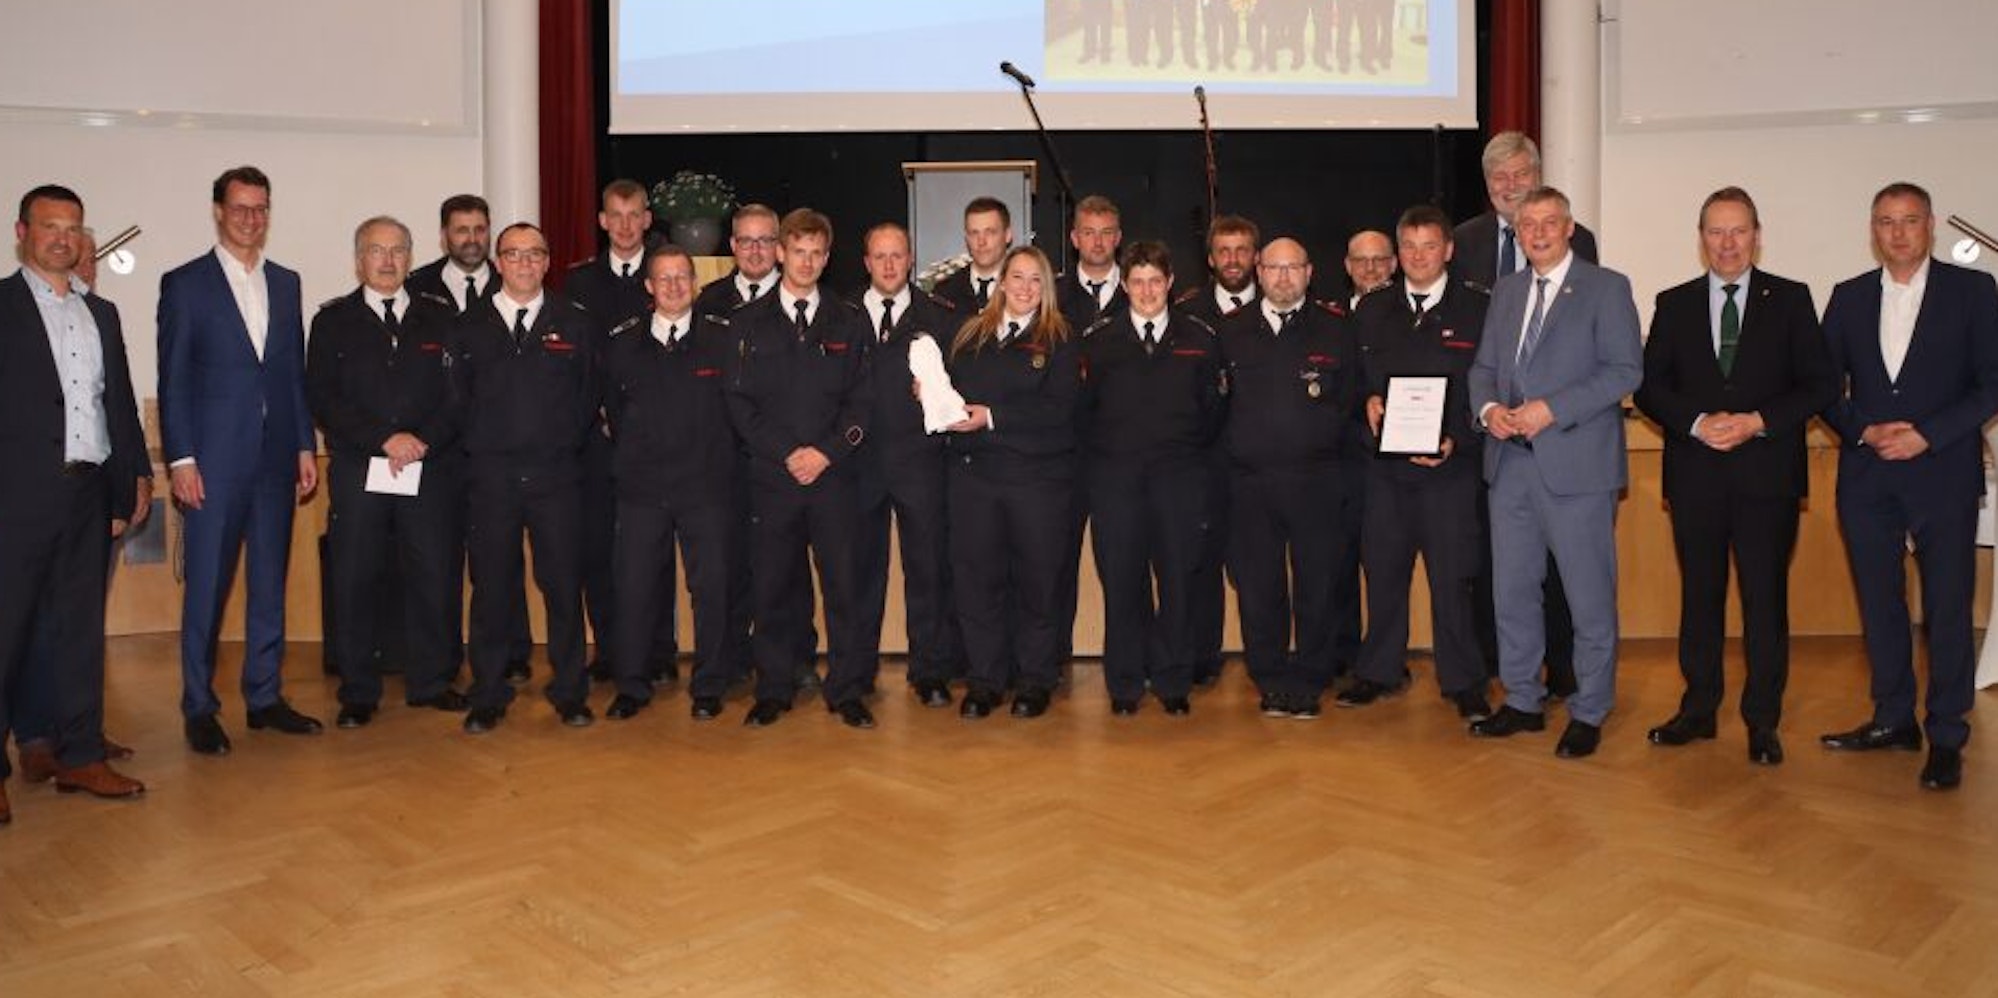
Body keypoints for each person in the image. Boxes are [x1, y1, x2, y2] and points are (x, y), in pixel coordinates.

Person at [1633, 187, 1834, 766]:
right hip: (1696, 476)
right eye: (1716, 231)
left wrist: (1757, 421)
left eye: (1738, 230)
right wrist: (1697, 423)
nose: (1727, 243)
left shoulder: (1791, 299)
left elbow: (1819, 384)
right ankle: (1698, 709)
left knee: (1764, 601)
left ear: (1756, 236)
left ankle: (1761, 720)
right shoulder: (1673, 303)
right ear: (1701, 239)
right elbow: (1649, 386)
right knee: (1700, 598)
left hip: (1767, 477)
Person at [1817, 182, 1998, 791]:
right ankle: (1893, 718)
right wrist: (1863, 430)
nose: (1898, 233)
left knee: (1947, 607)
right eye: (1886, 222)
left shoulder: (1973, 290)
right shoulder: (1848, 296)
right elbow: (1823, 385)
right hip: (1868, 476)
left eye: (1910, 220)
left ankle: (1946, 734)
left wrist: (1928, 435)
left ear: (1930, 226)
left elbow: (1991, 382)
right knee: (1880, 604)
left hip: (1943, 471)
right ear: (1873, 230)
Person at [1466, 186, 1642, 759]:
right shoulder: (1507, 291)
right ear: (1517, 234)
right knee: (1512, 592)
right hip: (1509, 465)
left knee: (1588, 597)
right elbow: (1483, 368)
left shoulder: (1606, 287)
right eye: (1528, 225)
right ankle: (1523, 699)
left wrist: (1553, 409)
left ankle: (1590, 709)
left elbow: (1625, 371)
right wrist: (1489, 410)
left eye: (1549, 222)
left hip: (1577, 467)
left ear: (1569, 228)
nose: (1538, 233)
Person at [158, 166, 322, 754]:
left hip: (276, 460)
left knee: (270, 584)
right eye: (240, 208)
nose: (251, 218)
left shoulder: (287, 282)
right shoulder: (185, 284)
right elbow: (173, 379)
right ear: (218, 211)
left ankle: (264, 696)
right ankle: (199, 706)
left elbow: (292, 373)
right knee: (206, 587)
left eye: (260, 208)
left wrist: (304, 443)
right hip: (213, 465)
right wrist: (181, 459)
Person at [0, 185, 150, 821]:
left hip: (88, 492)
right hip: (16, 496)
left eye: (73, 228)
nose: (62, 238)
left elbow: (118, 402)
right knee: (7, 630)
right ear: (22, 232)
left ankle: (81, 754)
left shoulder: (101, 314)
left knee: (80, 632)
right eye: (49, 226)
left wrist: (133, 478)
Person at [1451, 130, 1600, 701]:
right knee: (1500, 565)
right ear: (1487, 184)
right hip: (1488, 433)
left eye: (1521, 174)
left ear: (1538, 177)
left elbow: (1584, 339)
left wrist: (1548, 409)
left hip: (1559, 435)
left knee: (1564, 568)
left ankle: (1563, 668)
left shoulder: (1581, 243)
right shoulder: (1462, 240)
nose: (1510, 185)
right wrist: (1486, 407)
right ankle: (1507, 669)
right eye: (1499, 177)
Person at [305, 216, 468, 729]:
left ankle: (433, 681)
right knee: (355, 578)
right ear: (359, 261)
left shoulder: (440, 317)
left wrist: (421, 441)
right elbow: (323, 398)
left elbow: (458, 396)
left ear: (410, 258)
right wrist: (384, 439)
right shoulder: (332, 322)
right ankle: (358, 690)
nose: (388, 260)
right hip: (361, 469)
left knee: (435, 574)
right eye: (377, 250)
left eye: (398, 250)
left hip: (429, 468)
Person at [1340, 205, 1493, 720]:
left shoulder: (1479, 308)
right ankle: (1378, 670)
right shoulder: (1371, 310)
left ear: (1448, 250)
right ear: (1398, 253)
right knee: (1383, 574)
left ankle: (1464, 680)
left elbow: (1492, 385)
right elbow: (1350, 381)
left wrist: (1456, 440)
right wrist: (1365, 402)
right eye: (1409, 246)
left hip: (1451, 471)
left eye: (1430, 246)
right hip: (1384, 474)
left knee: (1453, 580)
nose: (1419, 256)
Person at [725, 208, 875, 729]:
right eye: (798, 252)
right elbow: (739, 403)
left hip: (834, 479)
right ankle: (774, 688)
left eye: (816, 253)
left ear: (827, 258)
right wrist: (787, 452)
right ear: (779, 253)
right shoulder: (747, 322)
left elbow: (862, 403)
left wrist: (826, 453)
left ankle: (847, 689)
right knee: (773, 589)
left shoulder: (849, 321)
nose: (806, 262)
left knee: (844, 589)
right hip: (774, 478)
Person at [450, 223, 601, 734]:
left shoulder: (574, 321)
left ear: (547, 261)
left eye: (534, 254)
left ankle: (570, 691)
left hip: (556, 476)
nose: (524, 263)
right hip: (490, 478)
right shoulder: (468, 325)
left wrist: (555, 444)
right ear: (497, 262)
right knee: (492, 589)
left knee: (563, 586)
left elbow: (588, 396)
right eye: (513, 254)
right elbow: (456, 398)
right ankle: (489, 693)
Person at [1216, 237, 1363, 718]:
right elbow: (1216, 406)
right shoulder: (1230, 331)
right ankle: (1270, 676)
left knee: (1317, 586)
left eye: (1293, 268)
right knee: (1260, 589)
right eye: (1274, 268)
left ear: (1309, 272)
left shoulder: (1337, 330)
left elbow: (1352, 404)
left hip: (1317, 480)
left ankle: (1311, 678)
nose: (1283, 277)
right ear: (1258, 272)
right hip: (1249, 484)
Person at [1079, 240, 1224, 716]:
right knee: (1122, 583)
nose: (1146, 291)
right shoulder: (1099, 341)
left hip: (1179, 481)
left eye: (1155, 281)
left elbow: (1215, 411)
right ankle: (1125, 684)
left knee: (1179, 583)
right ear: (1124, 285)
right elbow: (1084, 412)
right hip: (1116, 482)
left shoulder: (1200, 338)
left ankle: (1172, 679)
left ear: (1170, 283)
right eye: (1137, 282)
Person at [600, 245, 741, 722]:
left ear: (696, 284)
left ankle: (710, 685)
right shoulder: (622, 342)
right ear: (648, 286)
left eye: (682, 277)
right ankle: (632, 685)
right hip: (642, 488)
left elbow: (735, 410)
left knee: (712, 589)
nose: (674, 286)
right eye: (664, 278)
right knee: (635, 590)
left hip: (706, 487)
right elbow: (614, 411)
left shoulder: (723, 338)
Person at [946, 246, 1080, 719]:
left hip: (1037, 482)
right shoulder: (969, 334)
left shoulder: (1061, 339)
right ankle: (985, 680)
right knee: (978, 583)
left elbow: (1060, 410)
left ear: (1047, 289)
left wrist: (992, 417)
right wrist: (932, 395)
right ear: (1001, 281)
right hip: (975, 481)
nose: (1025, 288)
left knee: (1037, 585)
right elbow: (952, 394)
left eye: (1036, 279)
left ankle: (1035, 680)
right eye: (1017, 277)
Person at [405, 194, 531, 684]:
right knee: (437, 561)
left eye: (480, 229)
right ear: (444, 236)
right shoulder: (417, 288)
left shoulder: (514, 279)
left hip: (497, 452)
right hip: (437, 451)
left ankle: (513, 653)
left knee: (500, 561)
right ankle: (443, 660)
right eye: (462, 230)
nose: (472, 239)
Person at [850, 222, 966, 709]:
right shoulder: (842, 315)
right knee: (860, 573)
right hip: (859, 463)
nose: (889, 264)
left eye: (897, 255)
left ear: (911, 258)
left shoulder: (939, 315)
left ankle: (930, 671)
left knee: (928, 570)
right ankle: (857, 671)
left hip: (920, 460)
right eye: (880, 256)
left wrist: (938, 391)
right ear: (866, 262)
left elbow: (961, 380)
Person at [564, 179, 667, 686]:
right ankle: (608, 649)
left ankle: (659, 651)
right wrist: (597, 411)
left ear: (647, 220)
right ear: (602, 221)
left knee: (654, 547)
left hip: (654, 437)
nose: (625, 226)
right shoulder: (579, 283)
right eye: (615, 216)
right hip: (596, 437)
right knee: (598, 547)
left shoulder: (665, 273)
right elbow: (576, 361)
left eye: (634, 215)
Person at [1173, 214, 1262, 689]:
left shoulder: (1277, 306)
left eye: (1242, 250)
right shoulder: (1186, 313)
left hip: (1257, 464)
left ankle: (1264, 659)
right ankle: (1200, 658)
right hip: (1201, 463)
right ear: (1210, 259)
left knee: (1255, 567)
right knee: (1199, 565)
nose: (1233, 260)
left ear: (1256, 257)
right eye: (1223, 251)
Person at [1057, 195, 1128, 332]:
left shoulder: (1138, 291)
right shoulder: (1054, 295)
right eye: (1089, 233)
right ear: (1075, 239)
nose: (1098, 242)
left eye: (1106, 233)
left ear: (1118, 238)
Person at [932, 197, 1013, 313]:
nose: (981, 242)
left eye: (990, 232)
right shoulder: (945, 293)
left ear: (1008, 235)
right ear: (966, 238)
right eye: (974, 233)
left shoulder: (1024, 290)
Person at [1343, 229, 1397, 310]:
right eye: (1361, 260)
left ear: (1393, 264)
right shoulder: (1332, 312)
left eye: (1379, 260)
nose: (1370, 268)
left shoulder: (1411, 310)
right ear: (1348, 265)